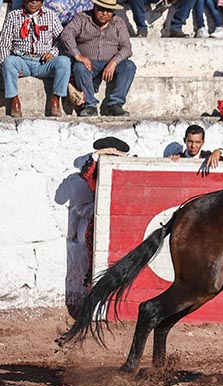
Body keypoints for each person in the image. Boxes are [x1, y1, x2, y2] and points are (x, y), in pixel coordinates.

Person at [61, 0, 137, 117]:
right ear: (95, 7)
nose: (104, 13)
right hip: (88, 64)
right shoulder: (82, 18)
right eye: (101, 9)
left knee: (129, 66)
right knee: (79, 67)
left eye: (109, 11)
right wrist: (78, 55)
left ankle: (115, 104)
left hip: (110, 64)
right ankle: (89, 105)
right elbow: (66, 34)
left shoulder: (118, 22)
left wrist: (113, 62)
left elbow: (126, 48)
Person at [0, 0, 71, 118]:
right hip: (22, 60)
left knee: (64, 62)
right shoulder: (13, 16)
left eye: (37, 0)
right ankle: (14, 100)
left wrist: (53, 53)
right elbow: (4, 44)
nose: (33, 2)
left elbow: (62, 40)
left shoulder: (51, 15)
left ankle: (55, 99)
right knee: (8, 62)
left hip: (43, 62)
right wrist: (7, 69)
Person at [79, 136, 129, 287]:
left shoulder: (125, 168)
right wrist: (99, 153)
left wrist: (121, 157)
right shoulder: (96, 175)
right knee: (95, 261)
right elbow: (85, 174)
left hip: (122, 223)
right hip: (99, 223)